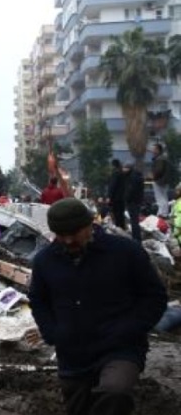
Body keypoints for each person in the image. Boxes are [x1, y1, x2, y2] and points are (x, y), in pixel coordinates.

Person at [29, 199, 167, 415]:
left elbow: (154, 296)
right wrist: (53, 333)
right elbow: (38, 300)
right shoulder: (45, 261)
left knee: (115, 392)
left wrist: (130, 329)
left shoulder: (125, 252)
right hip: (73, 355)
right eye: (60, 234)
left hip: (120, 348)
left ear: (89, 225)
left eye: (74, 232)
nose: (67, 240)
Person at [124, 162, 144, 242]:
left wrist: (126, 198)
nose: (123, 169)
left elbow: (130, 190)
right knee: (135, 220)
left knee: (134, 221)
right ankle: (137, 237)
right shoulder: (137, 176)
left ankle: (136, 238)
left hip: (132, 202)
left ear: (129, 168)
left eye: (125, 168)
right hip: (137, 201)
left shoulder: (132, 177)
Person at [150, 144, 169, 218]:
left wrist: (152, 176)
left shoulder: (160, 159)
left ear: (158, 150)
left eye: (154, 149)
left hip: (159, 181)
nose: (153, 151)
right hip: (163, 180)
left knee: (160, 197)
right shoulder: (163, 158)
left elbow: (159, 170)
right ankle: (164, 212)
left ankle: (162, 213)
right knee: (164, 197)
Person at [107, 159, 127, 230]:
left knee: (117, 214)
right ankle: (123, 228)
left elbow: (113, 185)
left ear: (113, 165)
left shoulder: (115, 173)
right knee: (121, 214)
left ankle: (119, 229)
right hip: (122, 198)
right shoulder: (122, 173)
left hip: (116, 198)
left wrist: (109, 196)